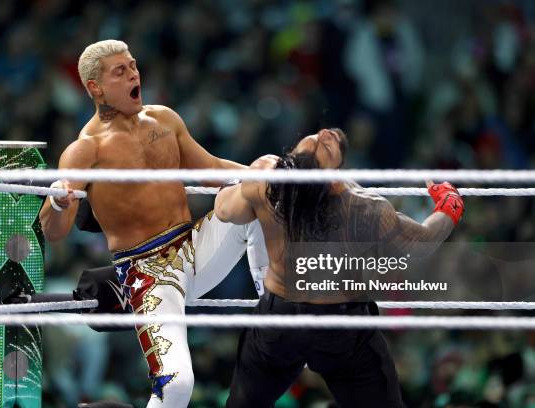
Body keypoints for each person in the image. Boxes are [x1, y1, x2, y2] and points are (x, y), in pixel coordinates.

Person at [39, 39, 269, 408]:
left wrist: (273, 177)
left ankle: (273, 303)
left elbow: (210, 170)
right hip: (146, 274)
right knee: (177, 384)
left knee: (261, 184)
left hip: (195, 246)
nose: (133, 73)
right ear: (95, 88)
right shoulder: (86, 149)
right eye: (121, 71)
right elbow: (54, 231)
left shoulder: (164, 119)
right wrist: (57, 200)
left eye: (133, 65)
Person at [214, 128, 464, 407]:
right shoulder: (362, 207)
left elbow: (226, 211)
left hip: (280, 319)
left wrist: (239, 182)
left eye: (327, 142)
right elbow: (421, 242)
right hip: (339, 328)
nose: (325, 134)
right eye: (321, 142)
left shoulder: (265, 181)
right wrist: (449, 206)